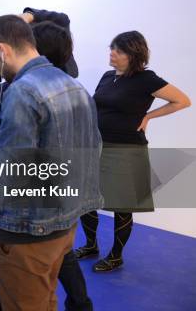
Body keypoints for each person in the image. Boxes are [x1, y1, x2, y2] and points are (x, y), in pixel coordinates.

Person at [0, 15, 102, 311]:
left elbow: (11, 172)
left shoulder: (22, 92)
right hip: (65, 223)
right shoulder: (73, 86)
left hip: (26, 232)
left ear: (2, 50)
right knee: (47, 299)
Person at [75, 31, 191, 272]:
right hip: (96, 145)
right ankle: (90, 245)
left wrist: (149, 116)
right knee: (86, 198)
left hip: (126, 149)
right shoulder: (108, 77)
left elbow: (182, 101)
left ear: (133, 55)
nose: (112, 53)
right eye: (112, 48)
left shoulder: (146, 79)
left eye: (118, 50)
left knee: (122, 204)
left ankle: (116, 255)